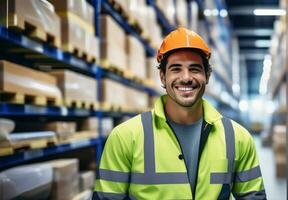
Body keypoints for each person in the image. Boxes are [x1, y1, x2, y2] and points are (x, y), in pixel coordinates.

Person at [93, 27, 266, 199]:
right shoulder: (125, 137)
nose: (186, 77)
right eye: (176, 69)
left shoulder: (237, 138)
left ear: (207, 75)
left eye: (195, 69)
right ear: (162, 77)